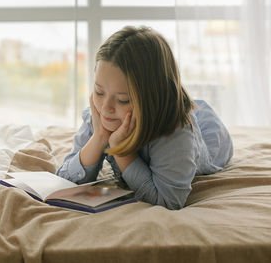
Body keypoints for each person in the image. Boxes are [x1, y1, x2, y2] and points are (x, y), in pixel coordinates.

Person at [56, 26, 233, 210]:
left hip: (206, 130)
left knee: (200, 119)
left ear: (151, 99)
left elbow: (168, 201)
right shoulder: (101, 113)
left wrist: (122, 152)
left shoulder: (175, 132)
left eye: (123, 100)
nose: (106, 108)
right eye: (99, 92)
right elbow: (64, 181)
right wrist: (99, 138)